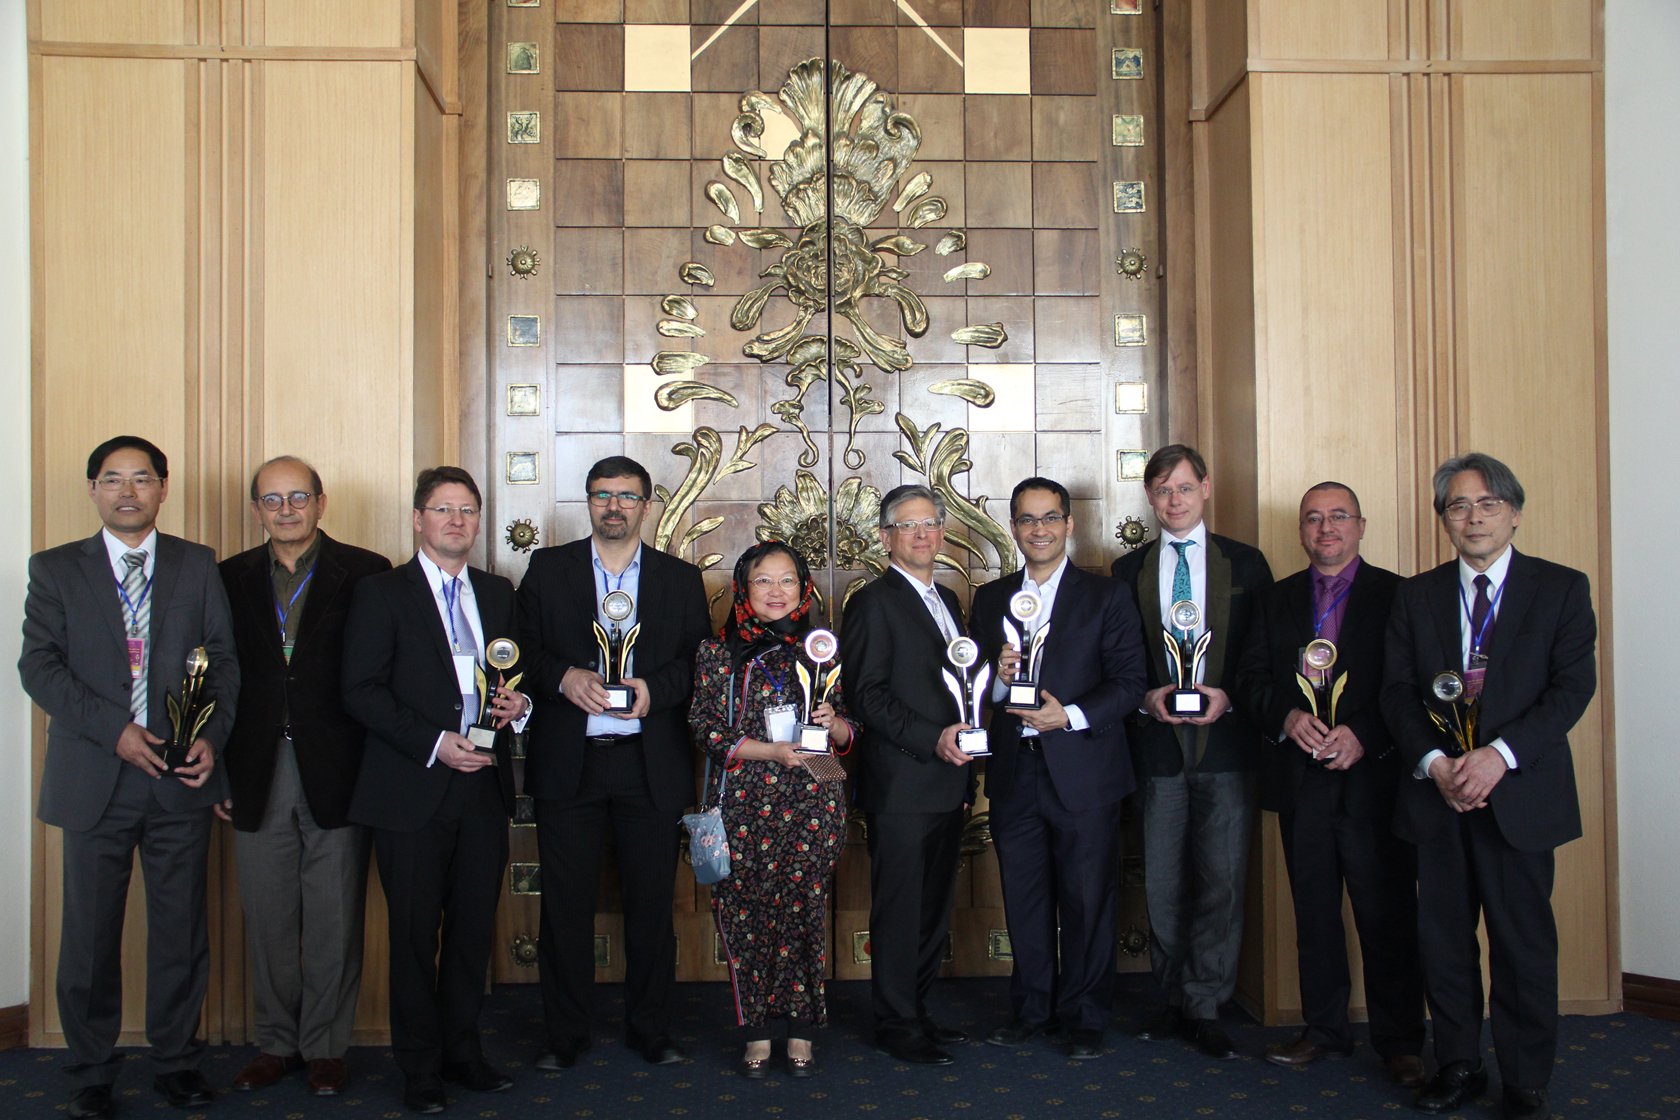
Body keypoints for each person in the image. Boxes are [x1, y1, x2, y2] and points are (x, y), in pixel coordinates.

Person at [19, 435, 238, 1119]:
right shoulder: (56, 569)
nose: (126, 492)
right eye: (112, 479)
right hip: (95, 777)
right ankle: (90, 1068)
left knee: (180, 929)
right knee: (88, 937)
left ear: (162, 488)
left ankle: (176, 1062)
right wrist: (112, 730)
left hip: (178, 779)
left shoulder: (197, 565)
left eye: (140, 478)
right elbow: (40, 667)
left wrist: (209, 736)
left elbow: (226, 661)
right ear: (93, 490)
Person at [1380, 453, 1596, 1119]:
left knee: (1522, 944)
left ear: (1514, 512)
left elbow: (1571, 688)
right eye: (1457, 506)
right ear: (1443, 518)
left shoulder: (1560, 588)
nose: (1472, 517)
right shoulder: (1416, 594)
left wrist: (1498, 757)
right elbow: (1394, 692)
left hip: (1519, 799)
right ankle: (1459, 1065)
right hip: (1438, 797)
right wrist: (1437, 764)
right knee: (1443, 943)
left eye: (1487, 504)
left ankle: (1526, 1079)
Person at [342, 467, 529, 1115]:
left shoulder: (498, 591)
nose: (457, 520)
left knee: (473, 932)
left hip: (482, 787)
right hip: (411, 790)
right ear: (418, 519)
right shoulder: (381, 593)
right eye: (443, 509)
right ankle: (418, 1068)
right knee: (416, 936)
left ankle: (462, 1051)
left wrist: (519, 706)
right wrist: (433, 741)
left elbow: (516, 675)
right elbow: (359, 690)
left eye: (468, 510)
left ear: (479, 522)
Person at [516, 456, 711, 1068]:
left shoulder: (679, 579)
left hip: (646, 762)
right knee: (565, 907)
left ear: (646, 506)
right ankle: (565, 1035)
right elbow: (520, 650)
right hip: (568, 763)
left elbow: (696, 664)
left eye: (627, 496)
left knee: (653, 907)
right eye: (603, 495)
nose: (615, 506)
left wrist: (658, 689)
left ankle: (651, 1029)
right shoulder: (549, 569)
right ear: (589, 502)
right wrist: (563, 676)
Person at [1234, 482, 1425, 1086]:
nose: (1326, 528)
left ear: (1361, 525)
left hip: (1374, 779)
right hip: (1303, 780)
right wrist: (1286, 718)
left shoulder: (1399, 595)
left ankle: (1401, 1041)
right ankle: (1324, 1030)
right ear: (1300, 531)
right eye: (1313, 519)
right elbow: (1251, 678)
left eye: (1338, 516)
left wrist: (1365, 734)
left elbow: (1411, 683)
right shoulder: (1275, 599)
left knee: (1386, 912)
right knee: (1314, 913)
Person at [217, 456, 392, 1096]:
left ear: (322, 502)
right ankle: (275, 1042)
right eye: (271, 500)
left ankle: (325, 1045)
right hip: (255, 769)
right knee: (266, 916)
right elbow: (215, 680)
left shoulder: (367, 572)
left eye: (298, 497)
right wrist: (217, 770)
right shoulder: (228, 578)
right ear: (257, 509)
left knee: (333, 917)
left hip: (339, 768)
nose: (285, 510)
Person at [969, 477, 1146, 1059]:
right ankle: (1032, 1009)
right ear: (1013, 527)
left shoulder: (1106, 595)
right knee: (1024, 898)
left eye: (1049, 518)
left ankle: (1085, 1015)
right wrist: (997, 675)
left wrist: (1066, 716)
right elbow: (976, 692)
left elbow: (1129, 685)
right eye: (1026, 519)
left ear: (1069, 525)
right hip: (1016, 771)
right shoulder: (991, 599)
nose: (1038, 529)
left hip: (1084, 772)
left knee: (1088, 900)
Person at [1110, 444, 1272, 1061]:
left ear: (1206, 488)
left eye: (1183, 487)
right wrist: (1144, 696)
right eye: (1161, 491)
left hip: (1225, 744)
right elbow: (1119, 660)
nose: (1173, 500)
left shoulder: (1246, 564)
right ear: (1149, 498)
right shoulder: (1129, 571)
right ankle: (1174, 996)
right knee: (1162, 879)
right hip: (1155, 747)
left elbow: (1261, 652)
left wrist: (1230, 696)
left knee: (1221, 880)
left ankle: (1207, 1001)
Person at [689, 541, 854, 1078]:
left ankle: (802, 1029)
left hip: (812, 799)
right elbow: (706, 728)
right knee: (747, 916)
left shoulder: (823, 649)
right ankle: (757, 1029)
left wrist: (835, 724)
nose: (776, 592)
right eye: (763, 581)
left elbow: (853, 728)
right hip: (744, 802)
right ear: (744, 588)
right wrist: (770, 751)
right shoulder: (718, 653)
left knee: (804, 915)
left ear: (804, 588)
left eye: (787, 581)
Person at [840, 483, 977, 1066]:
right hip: (903, 782)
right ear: (885, 536)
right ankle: (896, 1023)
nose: (923, 534)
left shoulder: (948, 599)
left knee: (931, 907)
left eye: (931, 524)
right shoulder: (872, 602)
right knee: (899, 909)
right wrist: (933, 739)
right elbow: (866, 696)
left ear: (942, 533)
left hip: (949, 780)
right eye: (909, 525)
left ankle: (919, 1012)